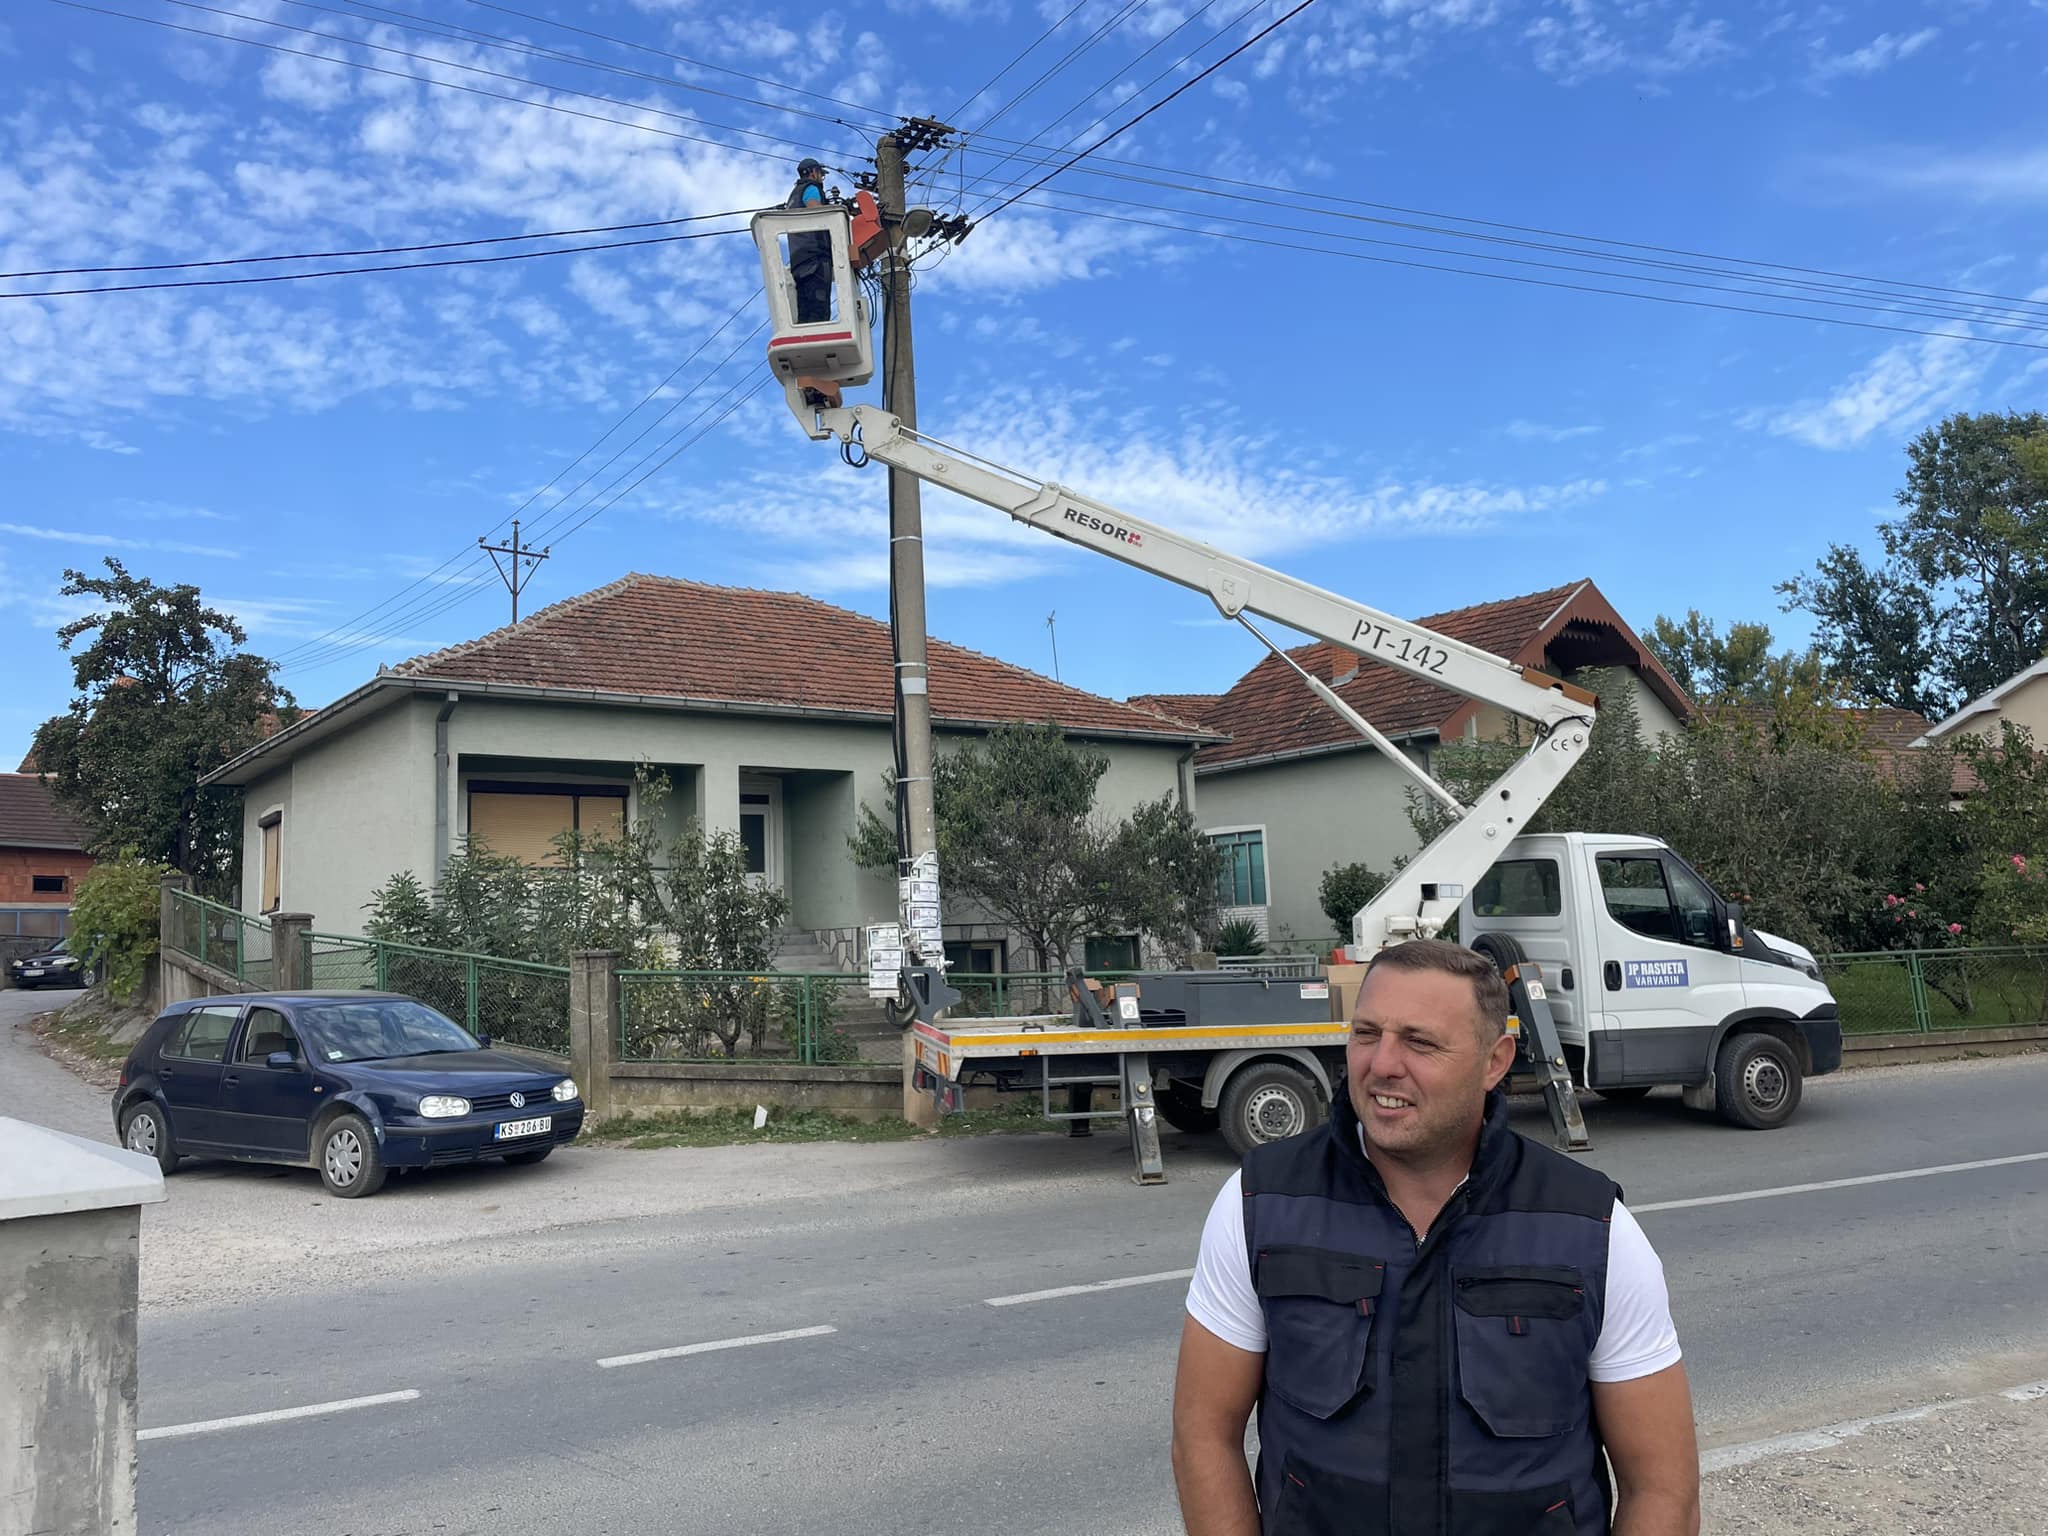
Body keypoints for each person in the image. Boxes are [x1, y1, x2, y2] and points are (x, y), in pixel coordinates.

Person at [1170, 939, 1700, 1536]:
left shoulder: (1593, 1228)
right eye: (1367, 1033)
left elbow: (1662, 1489)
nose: (1382, 1064)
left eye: (1419, 1042)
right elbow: (1203, 1435)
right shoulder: (1261, 1203)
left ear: (1495, 1061)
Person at [786, 156, 833, 324]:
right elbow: (815, 209)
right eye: (821, 174)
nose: (822, 178)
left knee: (805, 316)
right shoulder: (811, 188)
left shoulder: (793, 197)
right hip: (816, 259)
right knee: (819, 312)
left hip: (799, 262)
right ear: (813, 172)